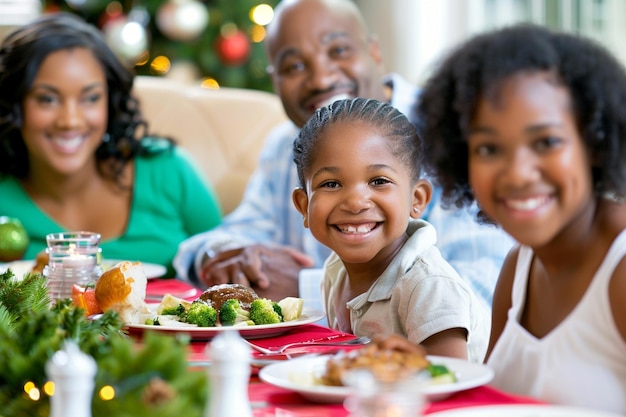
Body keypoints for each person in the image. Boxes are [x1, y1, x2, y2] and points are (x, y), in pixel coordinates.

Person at [174, 0, 513, 304]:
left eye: (338, 51)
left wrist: (308, 288)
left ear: (374, 52)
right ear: (273, 79)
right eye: (293, 67)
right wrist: (227, 256)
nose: (320, 79)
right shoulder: (285, 143)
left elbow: (484, 287)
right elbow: (221, 239)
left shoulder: (449, 132)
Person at [415, 24, 626, 413]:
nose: (517, 173)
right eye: (489, 148)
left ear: (593, 143)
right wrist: (414, 371)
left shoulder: (620, 268)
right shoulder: (519, 267)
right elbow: (494, 405)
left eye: (546, 142)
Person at [0, 13, 222, 277]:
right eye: (47, 99)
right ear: (15, 105)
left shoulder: (167, 169)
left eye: (90, 98)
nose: (70, 121)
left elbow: (226, 257)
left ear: (110, 102)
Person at [292, 97, 489, 362]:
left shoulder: (428, 286)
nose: (355, 202)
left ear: (416, 199)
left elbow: (448, 381)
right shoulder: (334, 271)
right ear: (304, 206)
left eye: (378, 181)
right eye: (331, 184)